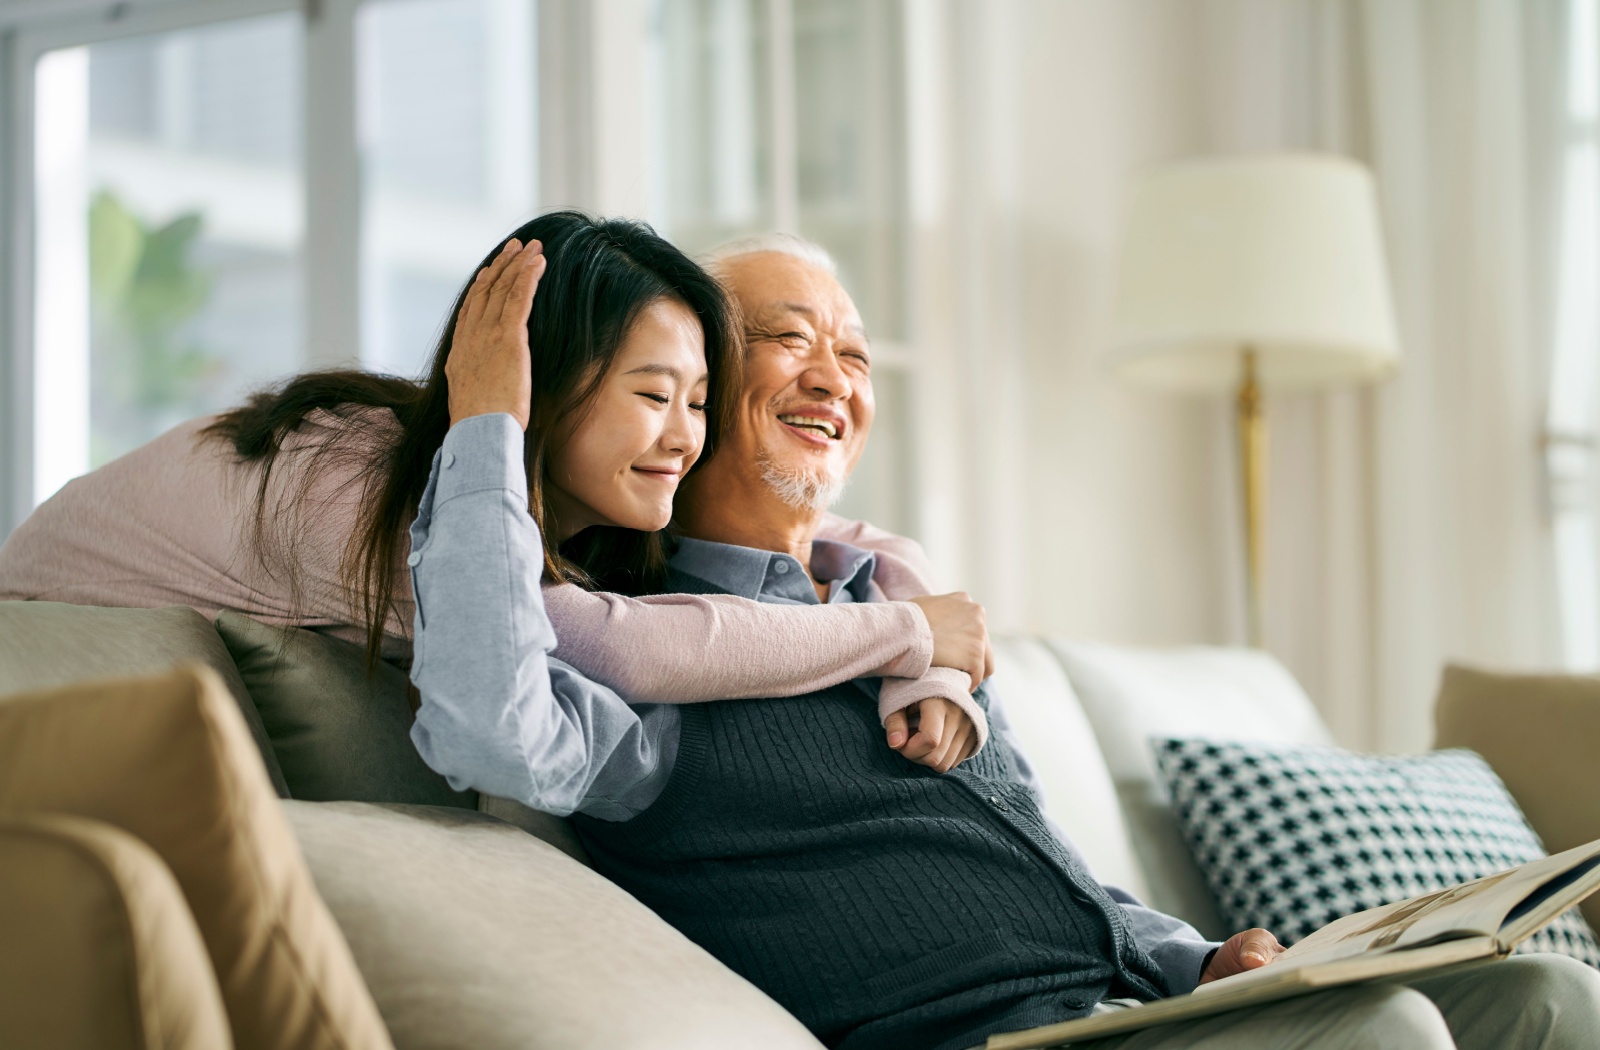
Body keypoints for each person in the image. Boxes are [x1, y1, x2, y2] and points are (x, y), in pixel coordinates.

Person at [408, 231, 1600, 1050]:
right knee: (1380, 1034)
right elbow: (486, 724)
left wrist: (1195, 961)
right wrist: (487, 428)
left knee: (1548, 998)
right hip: (985, 1039)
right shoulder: (637, 661)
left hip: (1126, 1008)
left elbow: (1051, 871)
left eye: (856, 351)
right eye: (787, 339)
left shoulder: (907, 620)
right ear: (695, 392)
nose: (837, 374)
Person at [0, 211, 988, 771]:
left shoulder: (576, 502)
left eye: (699, 399)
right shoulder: (361, 487)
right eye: (654, 395)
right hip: (48, 694)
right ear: (540, 388)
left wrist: (929, 639)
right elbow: (558, 693)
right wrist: (904, 636)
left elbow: (839, 534)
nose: (684, 438)